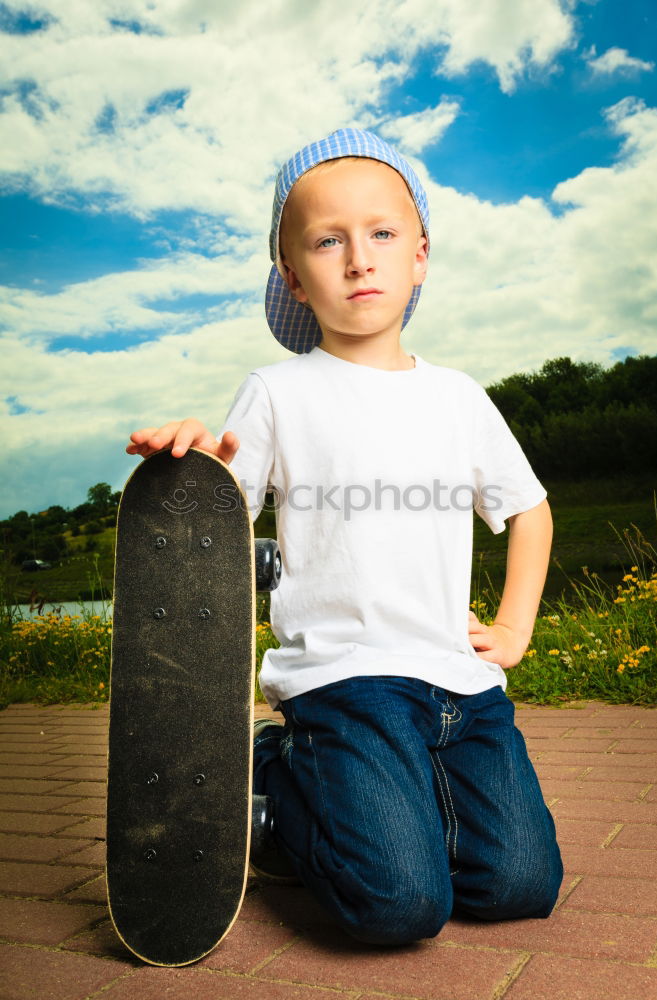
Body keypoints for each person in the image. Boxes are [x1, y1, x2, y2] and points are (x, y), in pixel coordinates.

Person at [127, 128, 563, 945]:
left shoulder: (459, 397)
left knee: (519, 886)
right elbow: (223, 505)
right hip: (344, 680)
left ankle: (387, 799)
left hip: (459, 690)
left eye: (382, 234)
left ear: (421, 256)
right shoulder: (279, 392)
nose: (359, 258)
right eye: (329, 241)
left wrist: (512, 629)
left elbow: (530, 508)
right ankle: (274, 765)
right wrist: (188, 464)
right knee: (398, 904)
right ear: (294, 276)